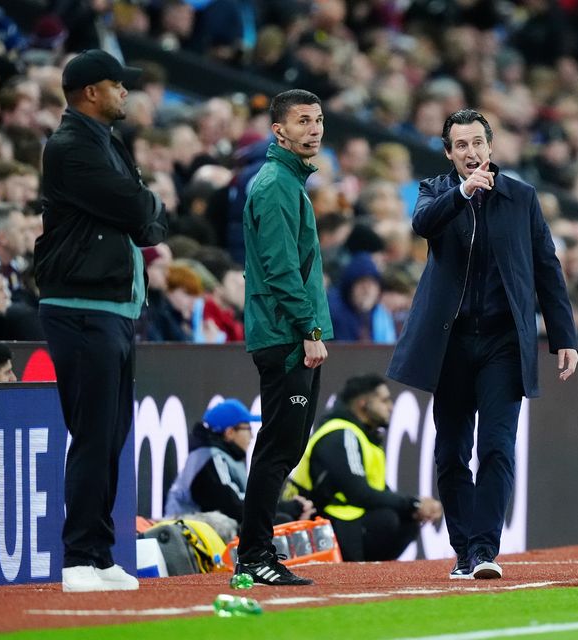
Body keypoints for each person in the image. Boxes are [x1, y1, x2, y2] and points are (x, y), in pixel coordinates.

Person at [387, 109, 578, 580]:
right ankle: (462, 550)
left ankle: (484, 549)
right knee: (451, 451)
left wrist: (563, 337)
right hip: (450, 344)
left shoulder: (521, 197)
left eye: (478, 143)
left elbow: (546, 267)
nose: (471, 152)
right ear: (450, 153)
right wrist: (462, 193)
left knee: (497, 446)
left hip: (501, 342)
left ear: (491, 148)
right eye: (461, 145)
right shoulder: (436, 192)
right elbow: (423, 226)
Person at [33, 50, 167, 593]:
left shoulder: (103, 143)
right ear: (90, 91)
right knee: (92, 435)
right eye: (117, 85)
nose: (125, 93)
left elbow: (148, 218)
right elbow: (140, 211)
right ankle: (79, 558)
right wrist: (147, 204)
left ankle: (99, 550)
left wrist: (147, 206)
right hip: (81, 307)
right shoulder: (70, 148)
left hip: (111, 308)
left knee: (109, 436)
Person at [233, 89, 332, 587]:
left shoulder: (288, 182)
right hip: (286, 335)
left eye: (318, 120)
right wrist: (310, 330)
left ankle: (256, 551)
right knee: (277, 448)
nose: (314, 129)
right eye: (302, 121)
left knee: (283, 447)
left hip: (289, 333)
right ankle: (253, 555)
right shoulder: (274, 184)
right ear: (279, 131)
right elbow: (280, 269)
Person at [288, 374, 443, 561]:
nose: (391, 407)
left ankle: (370, 575)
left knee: (407, 517)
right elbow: (359, 493)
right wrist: (414, 503)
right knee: (387, 518)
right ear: (363, 403)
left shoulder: (362, 436)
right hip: (309, 521)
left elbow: (378, 491)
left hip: (337, 518)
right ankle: (353, 572)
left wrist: (413, 507)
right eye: (384, 400)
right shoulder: (342, 433)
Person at [164, 398, 314, 533]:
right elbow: (234, 507)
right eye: (247, 429)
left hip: (201, 530)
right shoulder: (209, 458)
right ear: (230, 433)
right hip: (186, 533)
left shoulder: (223, 456)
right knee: (279, 522)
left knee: (278, 521)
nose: (252, 436)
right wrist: (286, 508)